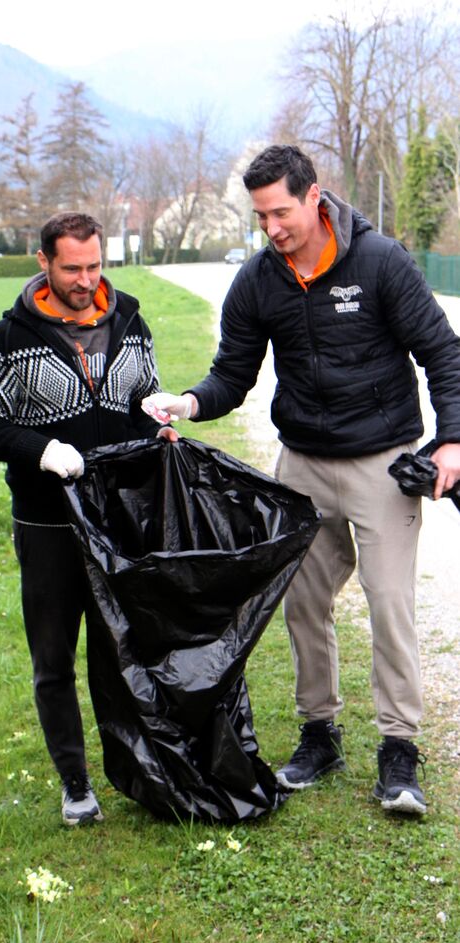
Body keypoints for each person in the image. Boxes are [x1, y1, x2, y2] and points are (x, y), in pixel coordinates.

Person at [146, 145, 460, 816]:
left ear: (315, 196)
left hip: (382, 461)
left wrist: (453, 439)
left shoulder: (380, 262)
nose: (272, 228)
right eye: (261, 217)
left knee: (390, 602)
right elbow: (233, 373)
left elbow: (442, 353)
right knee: (303, 603)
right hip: (303, 465)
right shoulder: (259, 280)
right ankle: (320, 733)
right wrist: (189, 403)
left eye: (281, 213)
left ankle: (399, 749)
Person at [0, 212, 176, 825]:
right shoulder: (9, 338)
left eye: (94, 266)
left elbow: (142, 398)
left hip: (118, 521)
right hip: (47, 525)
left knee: (124, 651)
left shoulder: (131, 323)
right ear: (44, 262)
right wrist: (40, 450)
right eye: (72, 268)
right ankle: (75, 782)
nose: (86, 281)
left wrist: (157, 424)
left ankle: (139, 769)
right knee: (53, 659)